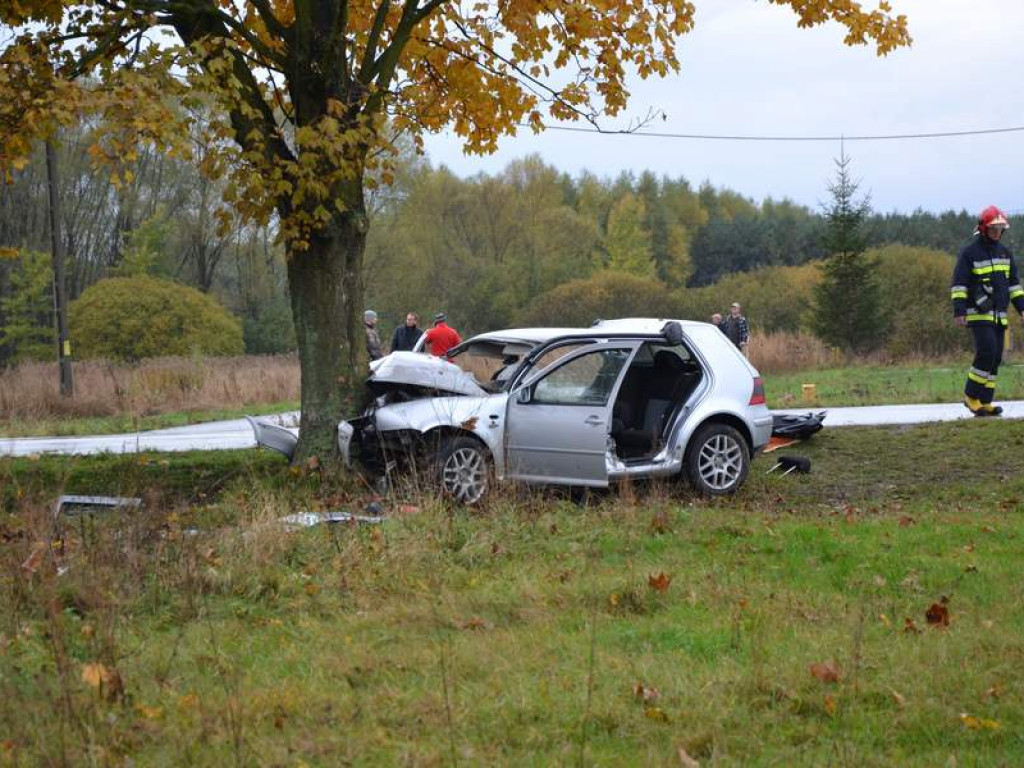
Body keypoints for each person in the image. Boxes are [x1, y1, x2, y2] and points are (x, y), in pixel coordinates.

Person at [950, 205, 1024, 416]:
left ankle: (985, 401)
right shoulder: (969, 253)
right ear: (983, 228)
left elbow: (1014, 285)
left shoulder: (1005, 253)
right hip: (978, 313)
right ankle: (971, 396)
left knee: (995, 357)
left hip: (1000, 315)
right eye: (993, 228)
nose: (997, 232)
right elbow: (959, 284)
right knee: (987, 352)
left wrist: (1022, 308)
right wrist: (959, 310)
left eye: (1000, 229)